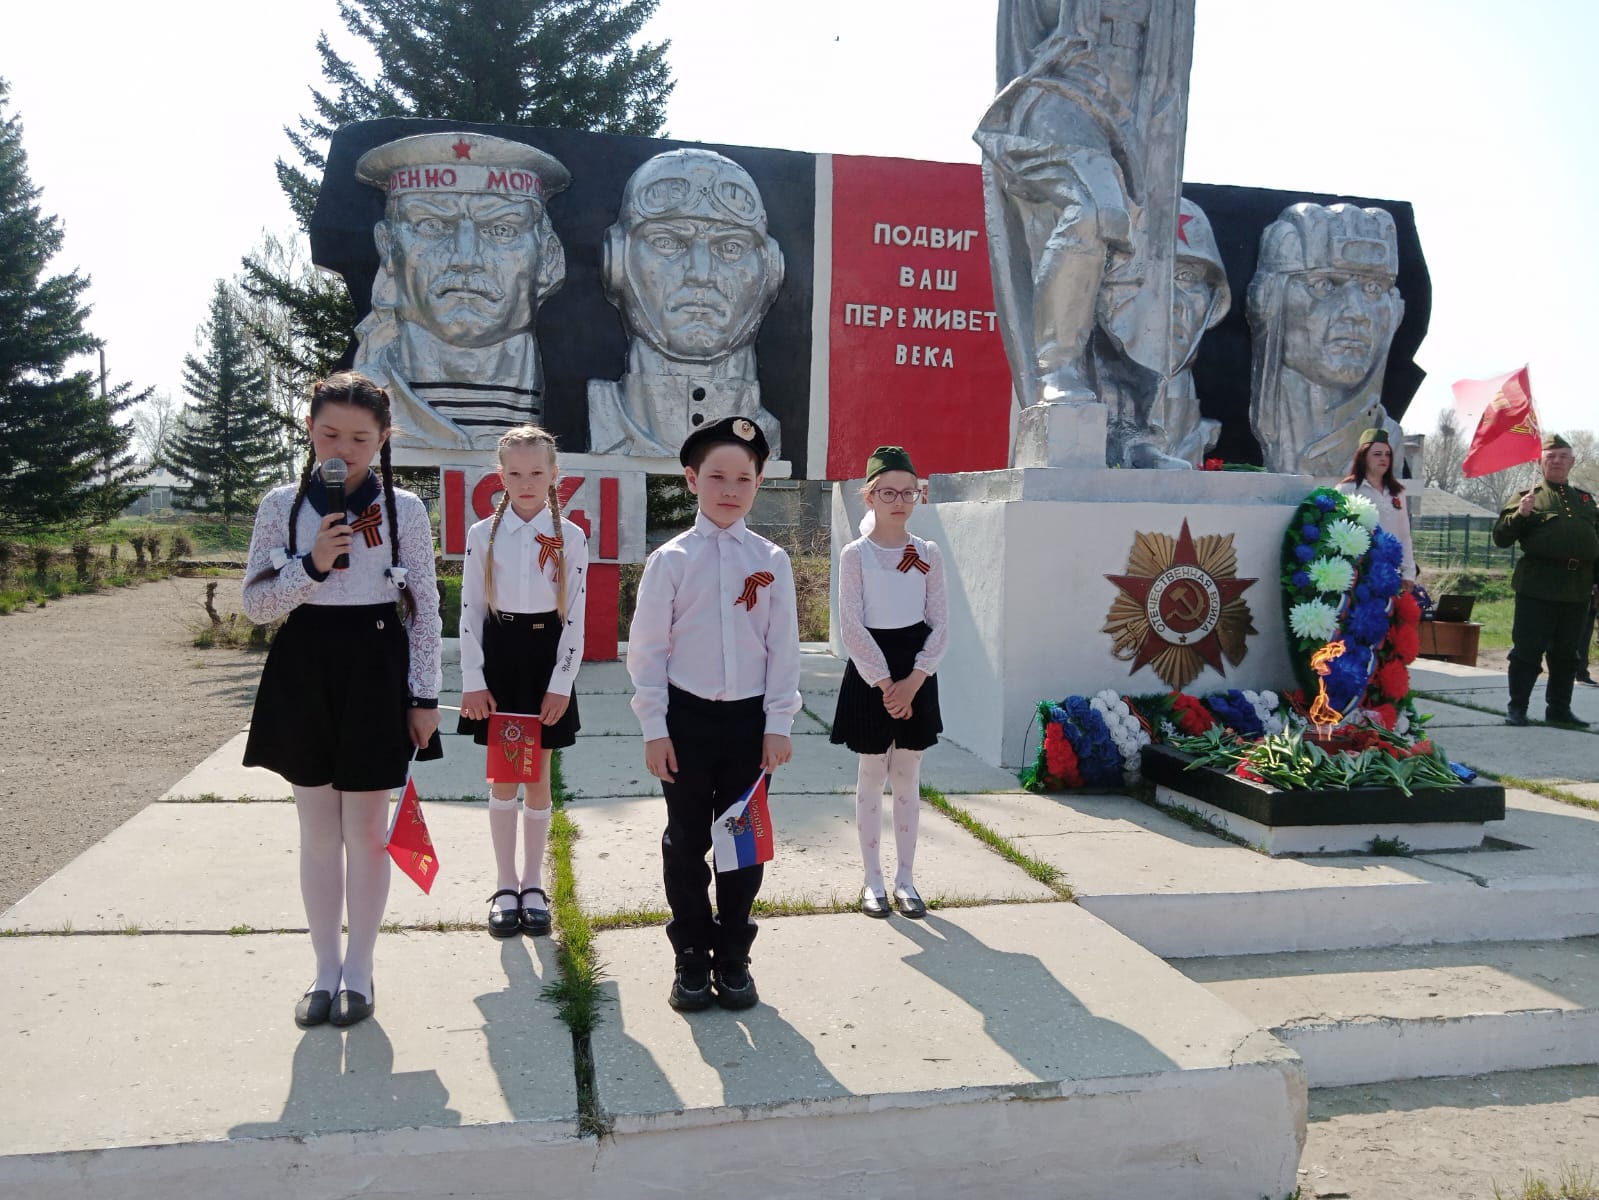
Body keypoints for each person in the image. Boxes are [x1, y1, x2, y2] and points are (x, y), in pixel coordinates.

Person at [242, 372, 443, 1028]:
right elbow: (256, 606)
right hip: (305, 666)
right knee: (317, 831)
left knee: (365, 829)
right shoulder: (281, 504)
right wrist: (310, 565)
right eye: (330, 432)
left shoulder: (405, 509)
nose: (344, 447)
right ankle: (323, 969)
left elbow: (425, 609)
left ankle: (361, 969)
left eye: (361, 437)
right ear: (309, 429)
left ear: (383, 439)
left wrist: (425, 696)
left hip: (377, 666)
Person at [626, 415, 801, 1011]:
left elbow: (783, 648)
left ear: (758, 484)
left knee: (743, 846)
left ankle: (734, 955)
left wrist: (779, 723)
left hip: (750, 726)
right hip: (687, 722)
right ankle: (690, 956)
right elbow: (647, 651)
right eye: (717, 476)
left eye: (743, 478)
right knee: (686, 844)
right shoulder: (670, 561)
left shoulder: (771, 560)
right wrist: (655, 729)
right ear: (691, 479)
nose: (730, 489)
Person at [353, 132, 571, 451]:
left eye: (501, 229)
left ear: (548, 258)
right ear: (388, 248)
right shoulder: (365, 408)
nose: (466, 258)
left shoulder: (588, 406)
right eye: (432, 225)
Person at [457, 426, 588, 938]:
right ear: (501, 476)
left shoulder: (570, 537)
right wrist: (472, 678)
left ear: (555, 476)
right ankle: (505, 883)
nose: (526, 482)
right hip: (501, 658)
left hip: (547, 658)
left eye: (537, 472)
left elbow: (575, 613)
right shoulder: (480, 535)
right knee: (504, 773)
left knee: (538, 775)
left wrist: (562, 682)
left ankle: (534, 883)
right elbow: (469, 611)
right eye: (515, 473)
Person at [587, 149, 786, 458]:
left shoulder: (767, 434)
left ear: (771, 271)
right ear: (616, 262)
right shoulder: (600, 415)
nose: (701, 274)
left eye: (731, 247)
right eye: (667, 242)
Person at [831, 446, 948, 919]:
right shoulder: (855, 555)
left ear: (919, 496)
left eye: (909, 492)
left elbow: (939, 623)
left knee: (908, 777)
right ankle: (872, 880)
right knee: (871, 774)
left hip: (916, 671)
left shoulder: (928, 553)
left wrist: (914, 680)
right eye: (887, 491)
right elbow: (852, 625)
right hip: (871, 672)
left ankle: (905, 879)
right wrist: (886, 685)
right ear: (869, 496)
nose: (899, 500)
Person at [1247, 203, 1405, 477]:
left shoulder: (1387, 442)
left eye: (1373, 288)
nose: (1358, 312)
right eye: (1325, 285)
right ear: (1268, 300)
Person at [1492, 434, 1599, 727]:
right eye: (1550, 456)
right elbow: (1501, 537)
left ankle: (1559, 710)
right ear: (1540, 462)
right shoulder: (1528, 495)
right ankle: (1517, 708)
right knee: (1527, 651)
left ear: (1572, 461)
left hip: (1577, 589)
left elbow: (1597, 543)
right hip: (1537, 587)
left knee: (1567, 654)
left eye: (1563, 456)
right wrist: (1521, 515)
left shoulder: (1585, 500)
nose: (1557, 461)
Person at [1337, 428, 1417, 591]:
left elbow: (1404, 535)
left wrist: (1409, 572)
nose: (1383, 459)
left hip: (1391, 572)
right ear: (1363, 456)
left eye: (1387, 454)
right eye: (1377, 454)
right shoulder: (1347, 489)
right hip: (1360, 573)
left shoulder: (1398, 492)